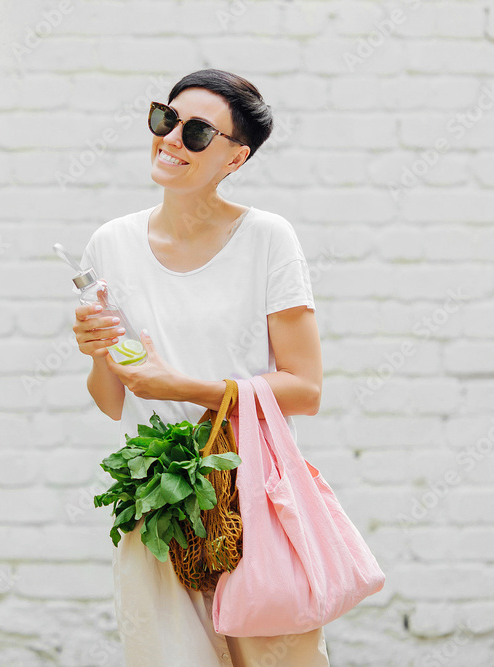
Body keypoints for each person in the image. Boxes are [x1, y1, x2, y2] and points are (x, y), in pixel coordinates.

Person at [72, 69, 328, 667]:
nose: (170, 139)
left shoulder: (267, 238)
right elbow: (114, 401)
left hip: (251, 498)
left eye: (196, 132)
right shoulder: (110, 245)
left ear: (235, 158)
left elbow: (305, 387)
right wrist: (95, 352)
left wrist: (179, 387)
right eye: (166, 119)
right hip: (154, 506)